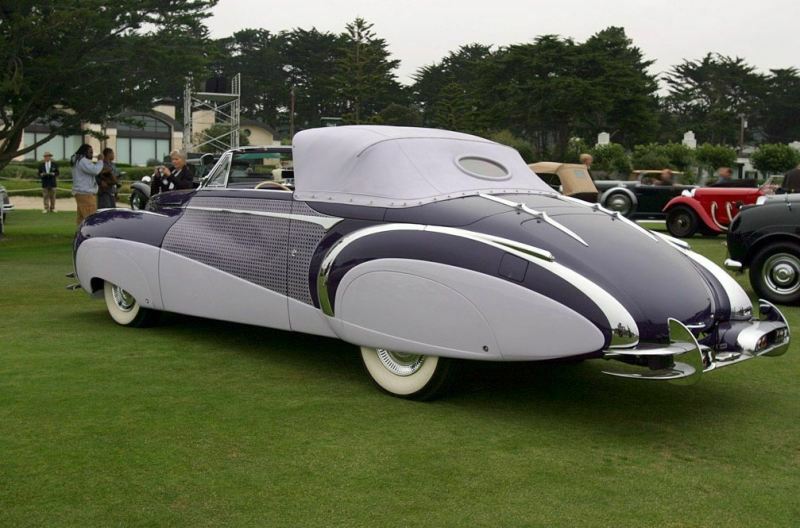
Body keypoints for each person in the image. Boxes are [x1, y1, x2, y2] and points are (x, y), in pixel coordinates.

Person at [70, 144, 104, 225]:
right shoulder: (83, 161)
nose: (92, 154)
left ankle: (80, 235)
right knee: (90, 217)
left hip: (80, 193)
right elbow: (95, 170)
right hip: (86, 193)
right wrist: (100, 160)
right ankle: (90, 235)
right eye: (90, 152)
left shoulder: (77, 160)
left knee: (81, 218)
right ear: (85, 152)